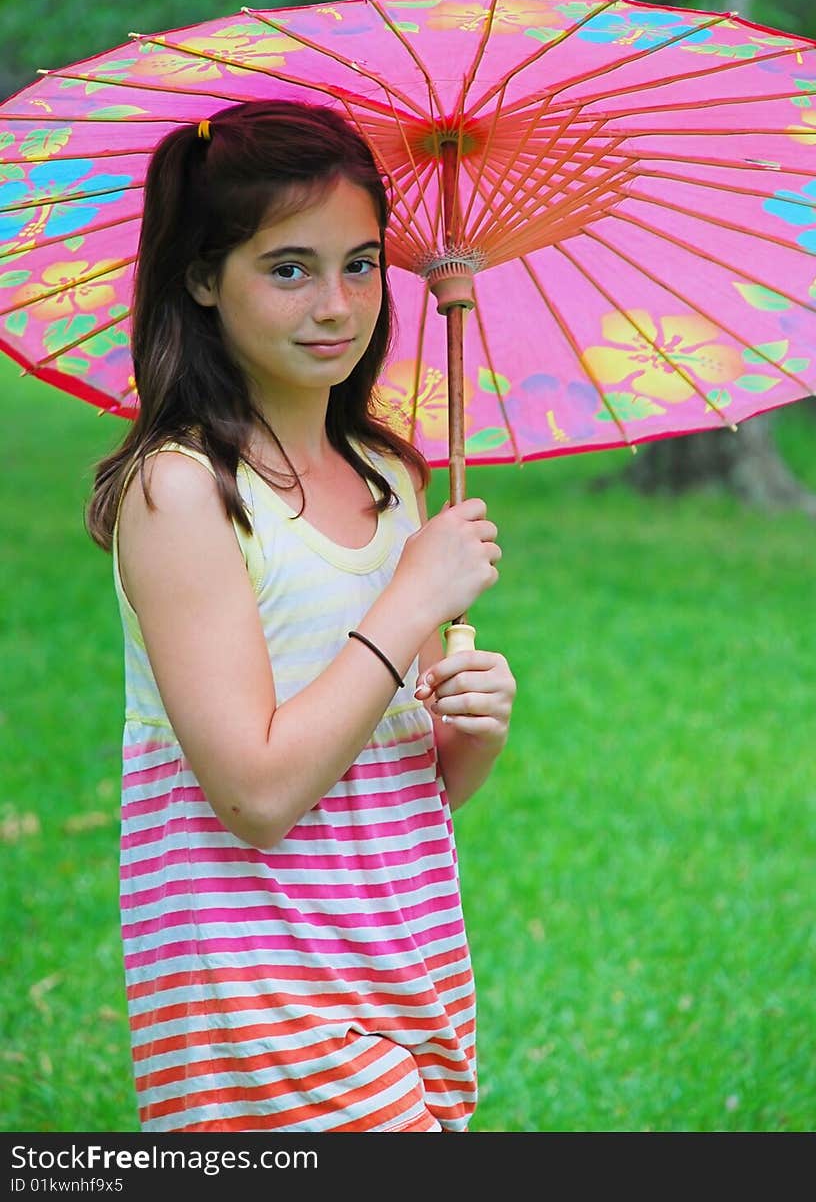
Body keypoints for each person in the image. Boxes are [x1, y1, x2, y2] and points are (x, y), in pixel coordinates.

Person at [85, 98, 516, 1134]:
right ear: (200, 278)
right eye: (290, 268)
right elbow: (260, 791)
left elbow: (415, 769)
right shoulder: (183, 492)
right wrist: (413, 592)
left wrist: (475, 727)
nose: (337, 303)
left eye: (361, 263)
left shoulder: (389, 476)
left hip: (405, 959)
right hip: (258, 983)